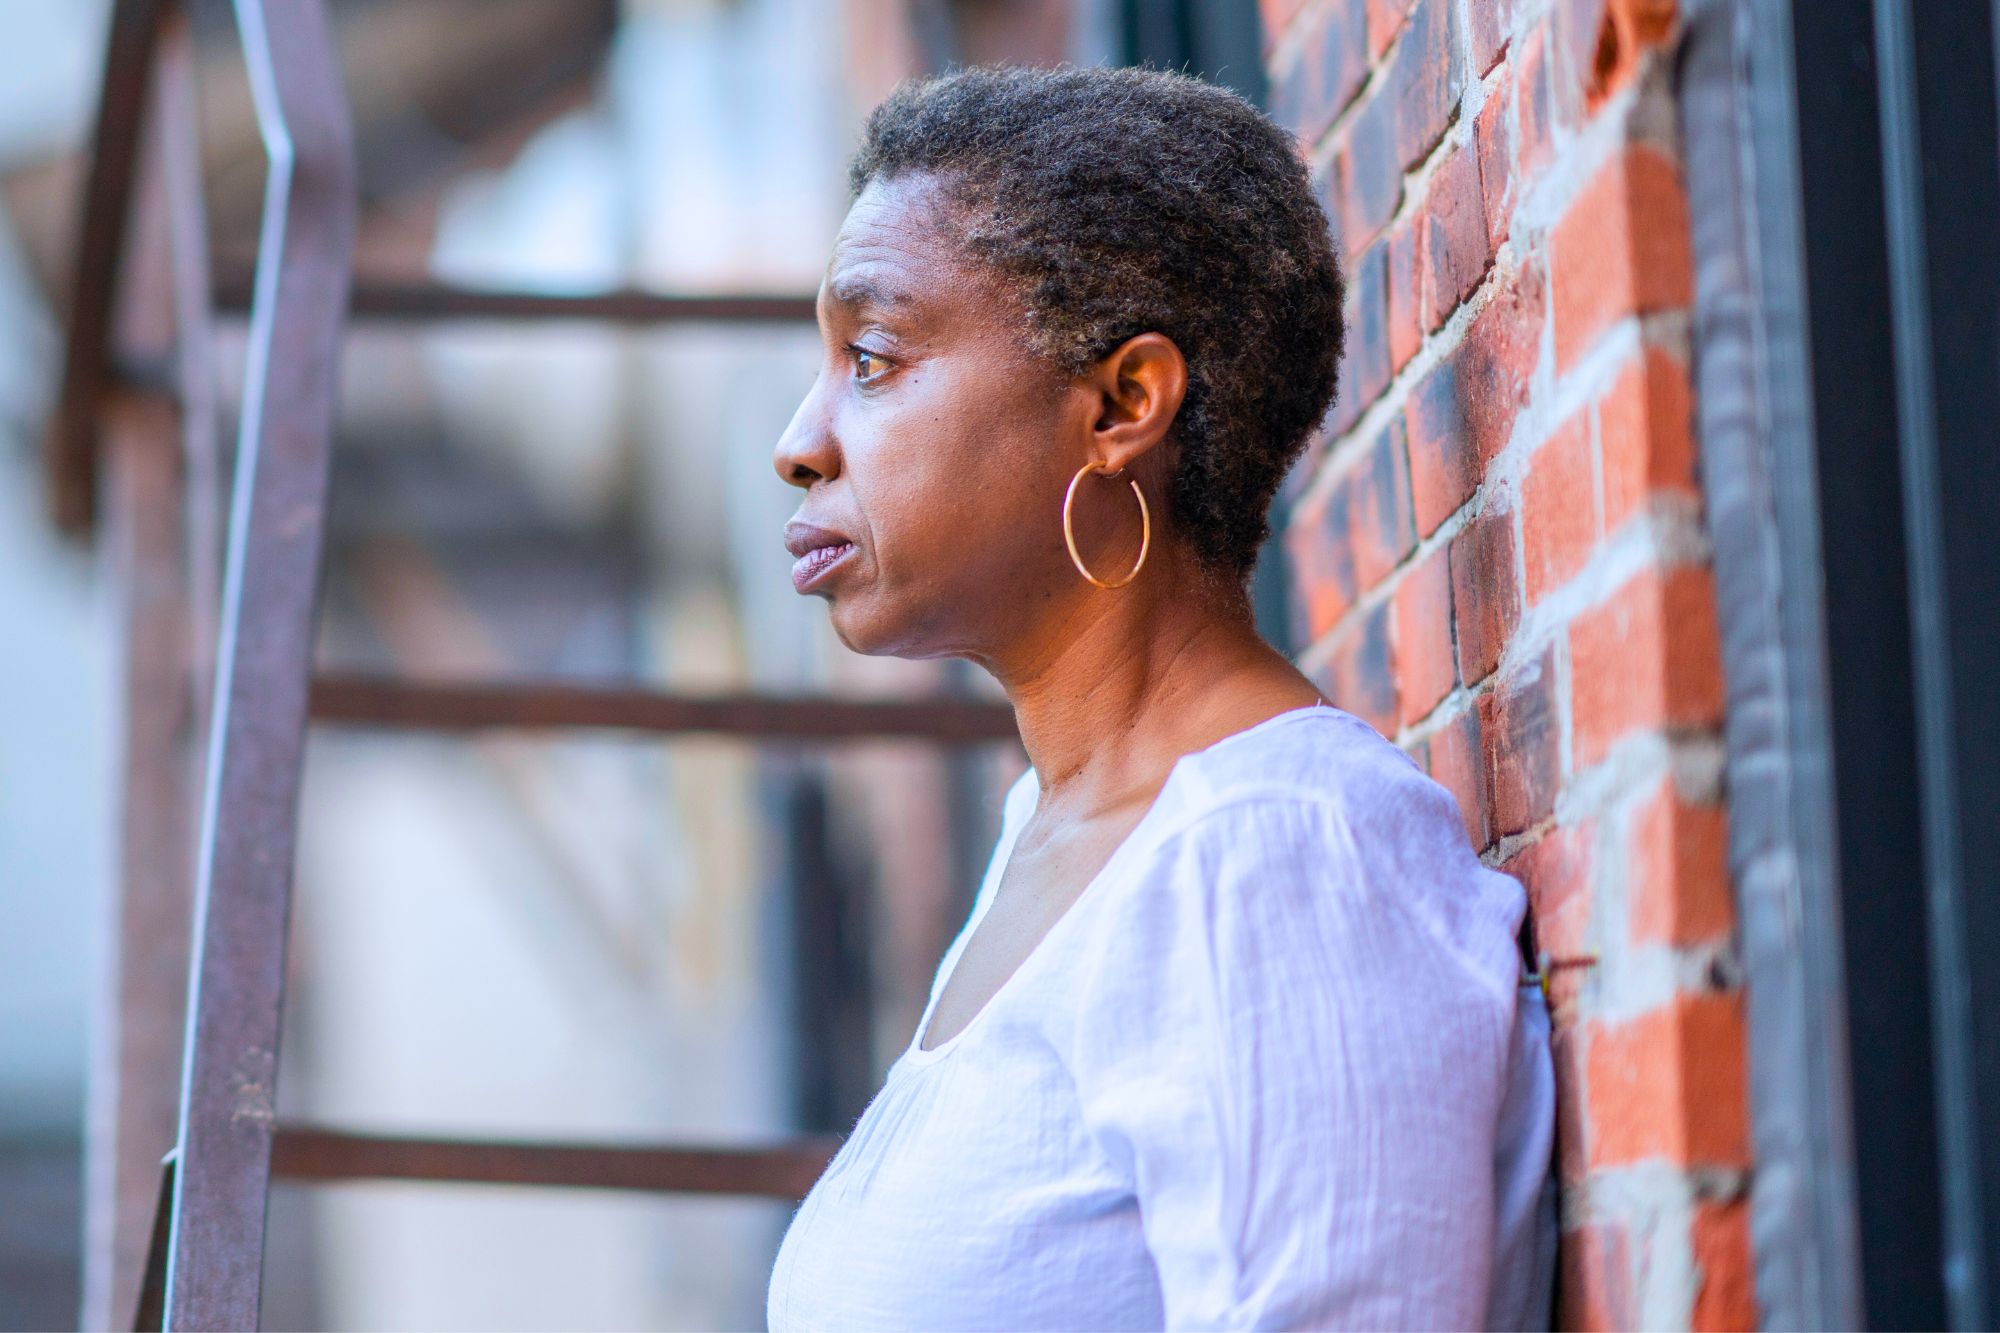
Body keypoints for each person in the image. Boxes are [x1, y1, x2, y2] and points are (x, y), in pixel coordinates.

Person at [764, 62, 1556, 1332]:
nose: (799, 441)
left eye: (871, 357)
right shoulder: (1053, 839)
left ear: (1122, 403)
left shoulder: (1273, 857)